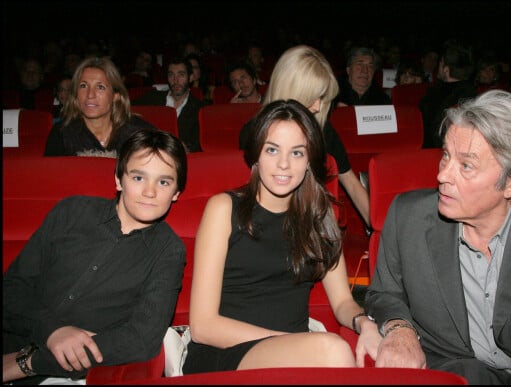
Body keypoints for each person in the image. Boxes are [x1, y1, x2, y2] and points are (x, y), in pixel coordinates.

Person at [365, 90, 511, 384]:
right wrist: (400, 328)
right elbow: (384, 292)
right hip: (454, 372)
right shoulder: (408, 216)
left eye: (466, 165)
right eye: (445, 156)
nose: (442, 176)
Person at [184, 99, 378, 374]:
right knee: (332, 350)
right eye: (272, 150)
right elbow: (203, 326)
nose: (284, 164)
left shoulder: (320, 217)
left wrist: (364, 323)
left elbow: (343, 302)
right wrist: (292, 342)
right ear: (256, 155)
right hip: (224, 354)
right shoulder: (224, 209)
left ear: (309, 159)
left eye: (297, 153)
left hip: (297, 354)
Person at [3, 129, 188, 384]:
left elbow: (141, 339)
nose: (149, 192)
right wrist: (52, 330)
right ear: (118, 180)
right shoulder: (71, 212)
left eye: (164, 182)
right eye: (138, 177)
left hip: (63, 373)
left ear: (176, 193)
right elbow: (12, 288)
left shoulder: (169, 251)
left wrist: (29, 363)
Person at [239, 45, 370, 227]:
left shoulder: (322, 129)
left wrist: (385, 234)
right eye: (312, 97)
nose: (317, 106)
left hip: (312, 223)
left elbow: (353, 186)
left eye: (322, 97)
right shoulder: (254, 133)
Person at [44, 56, 158, 157]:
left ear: (116, 95)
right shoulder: (62, 133)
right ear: (75, 94)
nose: (90, 95)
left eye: (100, 87)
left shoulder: (138, 133)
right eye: (83, 86)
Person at [132, 56, 203, 152]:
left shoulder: (200, 109)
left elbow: (198, 145)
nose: (175, 80)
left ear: (190, 78)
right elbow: (128, 108)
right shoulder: (152, 98)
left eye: (181, 75)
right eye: (171, 75)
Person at [419, 39, 477, 148]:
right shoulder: (475, 96)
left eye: (440, 63)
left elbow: (424, 133)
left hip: (434, 154)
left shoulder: (433, 96)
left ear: (446, 69)